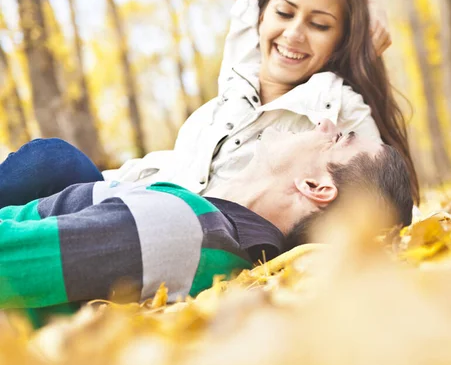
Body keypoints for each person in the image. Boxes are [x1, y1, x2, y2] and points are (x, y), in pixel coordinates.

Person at [0, 0, 419, 211]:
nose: (294, 33)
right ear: (262, 16)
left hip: (163, 220)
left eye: (320, 24)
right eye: (285, 12)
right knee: (49, 163)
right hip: (122, 187)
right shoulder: (244, 58)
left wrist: (358, 16)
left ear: (341, 40)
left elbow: (380, 198)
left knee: (48, 162)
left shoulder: (338, 107)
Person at [0, 121, 413, 315]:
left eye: (337, 137)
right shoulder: (210, 229)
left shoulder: (179, 227)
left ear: (315, 186)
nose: (323, 122)